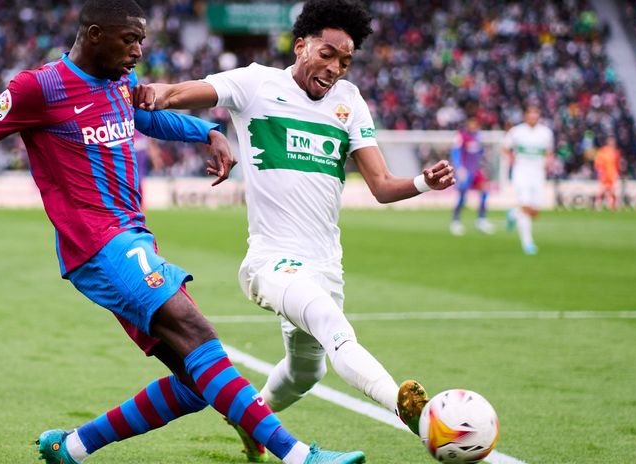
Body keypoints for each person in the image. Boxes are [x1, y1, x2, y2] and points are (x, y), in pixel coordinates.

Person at [0, 1, 366, 464]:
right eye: (130, 39)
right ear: (95, 35)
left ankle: (72, 446)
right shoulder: (38, 88)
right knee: (198, 334)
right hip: (98, 244)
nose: (139, 51)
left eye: (142, 40)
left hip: (131, 240)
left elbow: (150, 117)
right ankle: (298, 455)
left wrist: (207, 134)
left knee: (194, 381)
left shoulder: (119, 83)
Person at [135, 0, 456, 460]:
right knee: (332, 324)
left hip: (326, 264)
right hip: (272, 261)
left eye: (345, 61)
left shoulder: (349, 102)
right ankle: (413, 414)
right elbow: (181, 92)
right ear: (301, 46)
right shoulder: (255, 83)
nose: (335, 68)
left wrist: (425, 181)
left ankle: (250, 418)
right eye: (327, 54)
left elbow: (382, 186)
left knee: (308, 371)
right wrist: (152, 93)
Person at [502, 104, 555, 255]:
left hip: (538, 174)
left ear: (538, 115)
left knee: (535, 211)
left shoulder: (546, 133)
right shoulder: (517, 131)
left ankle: (512, 214)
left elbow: (549, 152)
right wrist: (511, 160)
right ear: (525, 115)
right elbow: (505, 148)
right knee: (525, 207)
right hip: (521, 173)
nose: (533, 116)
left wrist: (548, 162)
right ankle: (528, 243)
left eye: (535, 113)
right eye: (530, 113)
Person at [449, 115, 494, 236]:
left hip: (476, 170)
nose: (473, 126)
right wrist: (459, 169)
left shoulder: (478, 136)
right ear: (467, 124)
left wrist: (482, 167)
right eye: (471, 123)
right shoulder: (461, 136)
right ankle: (455, 222)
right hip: (465, 171)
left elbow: (479, 154)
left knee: (484, 191)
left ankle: (481, 220)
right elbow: (455, 152)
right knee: (462, 196)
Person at [594, 136, 621, 210]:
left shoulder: (616, 152)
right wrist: (600, 171)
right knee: (602, 190)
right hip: (604, 174)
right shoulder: (603, 151)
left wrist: (617, 172)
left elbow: (617, 164)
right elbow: (598, 162)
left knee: (612, 191)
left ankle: (612, 206)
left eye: (613, 141)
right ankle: (597, 204)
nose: (612, 143)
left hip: (612, 174)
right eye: (611, 141)